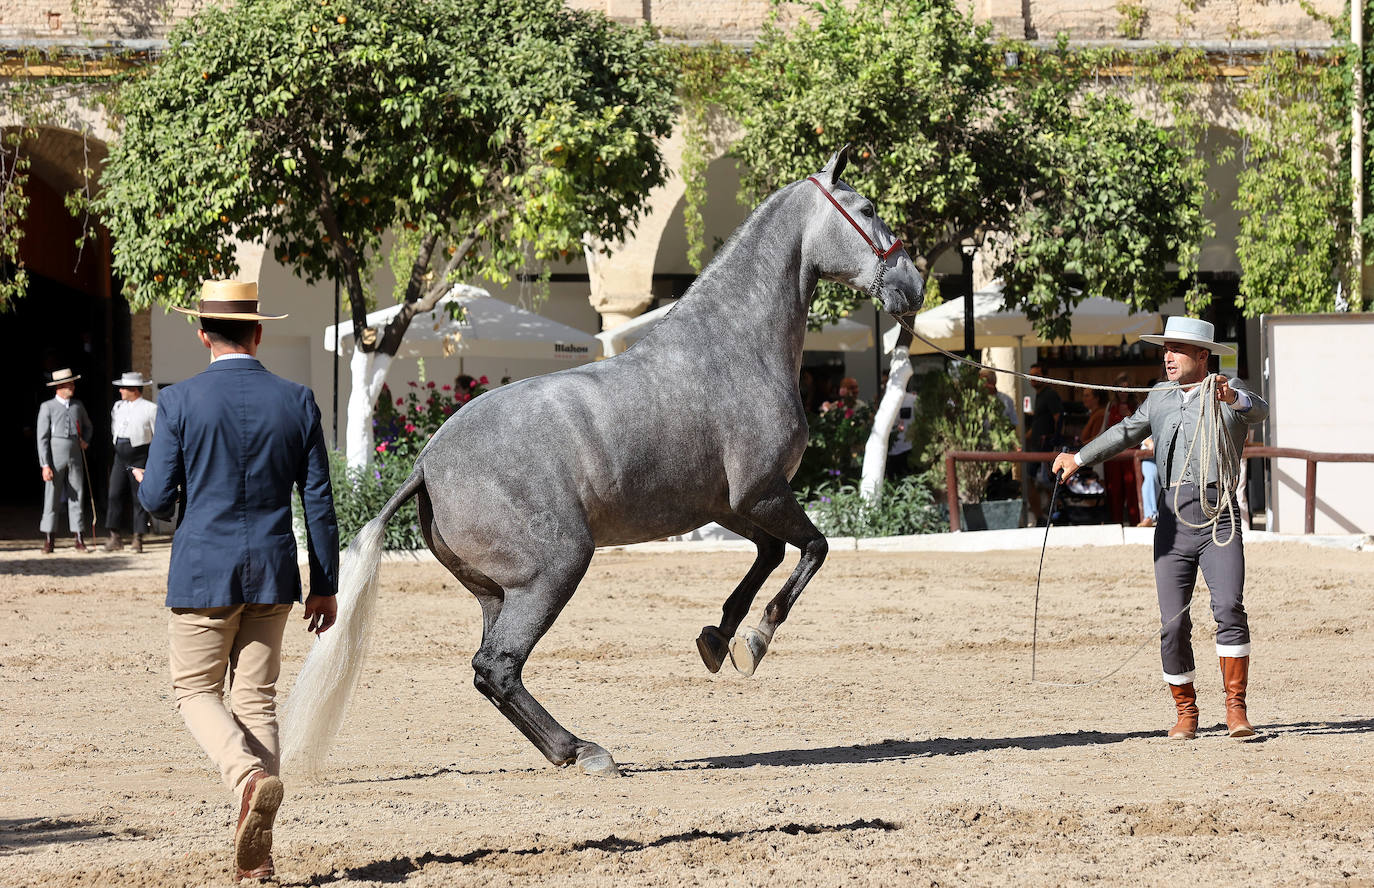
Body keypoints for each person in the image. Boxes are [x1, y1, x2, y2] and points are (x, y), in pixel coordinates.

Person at [138, 280, 340, 881]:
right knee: (257, 699)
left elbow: (156, 498)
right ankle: (260, 852)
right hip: (274, 572)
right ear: (259, 332)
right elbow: (320, 503)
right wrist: (324, 584)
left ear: (203, 335)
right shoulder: (298, 399)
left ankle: (246, 778)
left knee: (195, 691)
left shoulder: (179, 401)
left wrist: (148, 482)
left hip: (203, 571)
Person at [1052, 317, 1268, 742]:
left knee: (1229, 609)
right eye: (1165, 349)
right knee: (1172, 622)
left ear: (1202, 355)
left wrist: (1234, 397)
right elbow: (1126, 431)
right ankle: (1186, 712)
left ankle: (1236, 708)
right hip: (1171, 520)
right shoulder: (1159, 398)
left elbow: (1259, 409)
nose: (1167, 357)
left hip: (1218, 514)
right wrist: (1078, 458)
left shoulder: (1227, 390)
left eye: (1177, 349)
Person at [36, 367, 94, 554]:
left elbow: (88, 426)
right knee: (51, 497)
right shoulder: (48, 407)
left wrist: (86, 440)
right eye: (69, 384)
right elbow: (42, 438)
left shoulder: (78, 405)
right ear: (60, 387)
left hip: (75, 455)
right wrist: (45, 464)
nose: (73, 387)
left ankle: (78, 537)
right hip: (55, 456)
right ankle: (49, 538)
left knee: (77, 494)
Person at [104, 371, 158, 553]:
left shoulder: (150, 408)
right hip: (120, 455)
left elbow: (156, 433)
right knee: (114, 494)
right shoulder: (118, 406)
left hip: (139, 455)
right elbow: (114, 427)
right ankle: (115, 536)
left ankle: (138, 537)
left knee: (138, 496)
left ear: (134, 389)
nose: (120, 391)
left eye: (124, 388)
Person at [1025, 364, 1063, 526]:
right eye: (1031, 375)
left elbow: (1059, 417)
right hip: (1035, 446)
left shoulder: (1050, 395)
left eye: (1037, 374)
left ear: (1044, 377)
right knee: (1036, 481)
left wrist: (1055, 440)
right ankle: (1042, 515)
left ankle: (1057, 511)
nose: (1033, 378)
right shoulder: (1039, 395)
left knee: (1046, 481)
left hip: (1045, 447)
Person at [1137, 437, 1160, 527]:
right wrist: (1149, 442)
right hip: (1149, 453)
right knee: (1150, 479)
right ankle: (1150, 516)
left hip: (1170, 451)